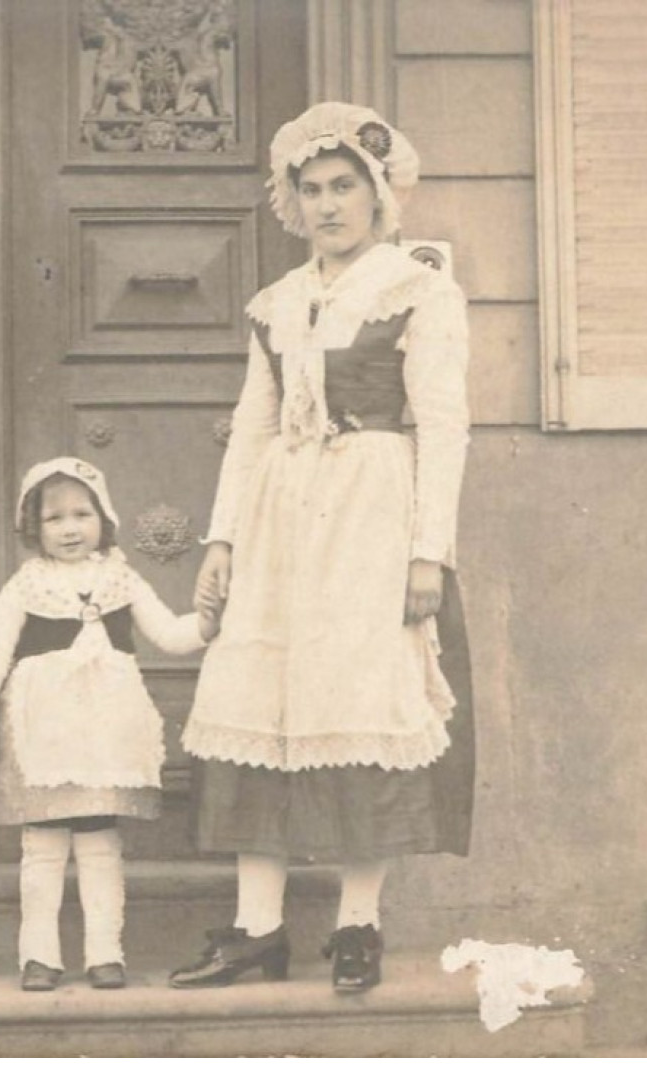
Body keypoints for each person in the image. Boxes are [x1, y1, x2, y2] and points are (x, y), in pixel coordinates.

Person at [170, 102, 475, 994]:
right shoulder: (276, 304)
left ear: (379, 197)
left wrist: (429, 552)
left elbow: (445, 425)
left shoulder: (416, 291)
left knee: (359, 699)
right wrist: (221, 539)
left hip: (371, 515)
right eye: (311, 190)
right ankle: (256, 930)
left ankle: (356, 926)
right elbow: (251, 429)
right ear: (290, 202)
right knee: (255, 699)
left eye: (345, 187)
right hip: (276, 521)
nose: (328, 205)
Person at [0, 458, 218, 991]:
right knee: (44, 842)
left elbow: (170, 634)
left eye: (82, 513)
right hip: (44, 731)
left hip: (105, 729)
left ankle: (106, 952)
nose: (70, 527)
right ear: (34, 528)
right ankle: (39, 956)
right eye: (54, 518)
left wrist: (211, 622)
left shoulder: (122, 578)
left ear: (104, 518)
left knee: (100, 840)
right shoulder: (26, 584)